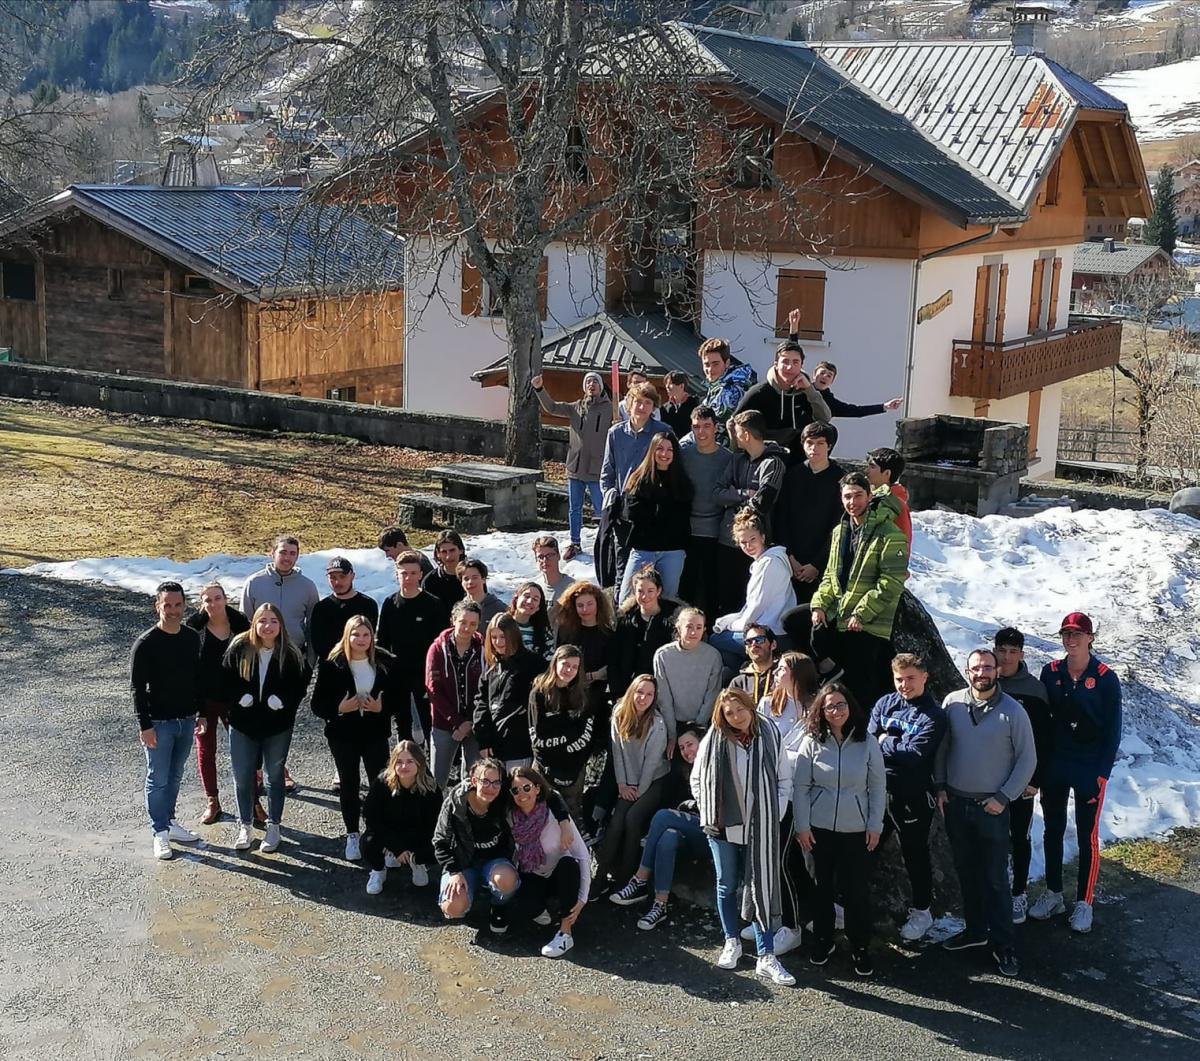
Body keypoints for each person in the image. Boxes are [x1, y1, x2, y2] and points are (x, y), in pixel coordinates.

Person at [934, 649, 1036, 978]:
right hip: (956, 804)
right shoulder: (952, 703)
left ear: (997, 672)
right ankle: (976, 932)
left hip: (991, 807)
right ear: (967, 671)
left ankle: (1004, 945)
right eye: (976, 668)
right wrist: (940, 787)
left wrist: (1003, 797)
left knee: (994, 880)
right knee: (967, 873)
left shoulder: (1013, 712)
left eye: (988, 667)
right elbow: (941, 747)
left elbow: (1027, 760)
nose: (982, 673)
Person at [692, 688, 795, 986]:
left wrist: (772, 814)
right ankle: (731, 940)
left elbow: (783, 778)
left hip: (760, 824)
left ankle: (766, 955)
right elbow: (697, 778)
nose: (736, 718)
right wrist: (709, 808)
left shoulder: (769, 733)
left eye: (740, 710)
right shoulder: (715, 737)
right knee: (726, 883)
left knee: (759, 884)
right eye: (729, 713)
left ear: (750, 707)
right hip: (722, 825)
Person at [785, 472, 908, 710]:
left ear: (870, 496)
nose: (853, 502)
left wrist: (862, 613)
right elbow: (831, 574)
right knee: (791, 621)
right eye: (847, 497)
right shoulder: (841, 531)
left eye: (859, 495)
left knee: (859, 685)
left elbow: (891, 581)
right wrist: (820, 604)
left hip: (869, 619)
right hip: (840, 610)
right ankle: (827, 671)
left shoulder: (890, 534)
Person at [1031, 612, 1122, 934]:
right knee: (1052, 830)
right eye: (1066, 635)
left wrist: (1102, 774)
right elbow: (1042, 719)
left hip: (1088, 766)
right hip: (1057, 763)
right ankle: (1053, 893)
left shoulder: (1105, 677)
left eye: (1077, 635)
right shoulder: (1051, 671)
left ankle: (1084, 902)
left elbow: (1113, 731)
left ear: (1090, 638)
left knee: (1087, 837)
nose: (1071, 640)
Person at [793, 682, 886, 977]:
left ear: (851, 707)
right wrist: (802, 825)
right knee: (821, 891)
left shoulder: (867, 741)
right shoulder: (811, 741)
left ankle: (860, 946)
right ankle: (823, 940)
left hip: (856, 829)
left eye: (841, 705)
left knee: (856, 892)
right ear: (821, 710)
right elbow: (801, 787)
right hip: (819, 830)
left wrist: (875, 824)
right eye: (829, 706)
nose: (836, 711)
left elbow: (877, 786)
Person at [868, 653, 947, 943]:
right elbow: (867, 741)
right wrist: (891, 744)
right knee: (865, 848)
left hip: (913, 794)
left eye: (910, 678)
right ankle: (852, 904)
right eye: (899, 679)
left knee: (914, 852)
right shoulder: (884, 703)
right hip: (877, 789)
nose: (904, 685)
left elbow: (915, 755)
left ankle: (922, 911)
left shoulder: (934, 715)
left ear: (924, 676)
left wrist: (885, 741)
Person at [222, 603, 310, 854]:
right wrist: (239, 697)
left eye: (273, 621)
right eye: (263, 620)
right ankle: (246, 825)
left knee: (274, 776)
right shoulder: (240, 647)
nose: (267, 626)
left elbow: (298, 686)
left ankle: (274, 826)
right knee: (242, 777)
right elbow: (225, 679)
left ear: (280, 625)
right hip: (242, 724)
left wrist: (283, 701)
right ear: (254, 623)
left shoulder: (290, 653)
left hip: (276, 726)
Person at [311, 615, 395, 861]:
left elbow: (398, 697)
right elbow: (317, 704)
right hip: (343, 735)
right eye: (355, 635)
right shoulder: (332, 664)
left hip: (375, 733)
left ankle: (383, 835)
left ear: (372, 637)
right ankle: (352, 835)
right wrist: (340, 708)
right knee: (349, 784)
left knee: (380, 784)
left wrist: (382, 708)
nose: (360, 639)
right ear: (347, 637)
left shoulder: (385, 661)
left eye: (365, 634)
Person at [608, 725, 706, 930]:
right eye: (682, 748)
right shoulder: (681, 774)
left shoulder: (714, 766)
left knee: (662, 817)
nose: (687, 751)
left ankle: (639, 880)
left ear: (702, 742)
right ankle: (660, 905)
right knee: (667, 838)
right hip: (687, 830)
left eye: (690, 744)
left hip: (710, 833)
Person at [131, 580, 203, 860]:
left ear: (185, 606)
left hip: (186, 720)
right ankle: (159, 831)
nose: (172, 610)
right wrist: (144, 725)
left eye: (177, 605)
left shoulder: (190, 637)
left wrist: (201, 713)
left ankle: (170, 822)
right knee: (158, 779)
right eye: (167, 605)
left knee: (175, 776)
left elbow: (197, 678)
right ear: (157, 607)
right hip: (158, 724)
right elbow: (137, 688)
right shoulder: (146, 643)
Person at [758, 651, 819, 954]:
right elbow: (758, 744)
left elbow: (805, 758)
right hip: (766, 791)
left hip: (795, 796)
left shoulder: (814, 709)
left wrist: (782, 758)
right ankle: (783, 917)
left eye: (782, 668)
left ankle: (792, 926)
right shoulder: (768, 704)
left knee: (784, 861)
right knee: (774, 860)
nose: (775, 672)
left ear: (798, 674)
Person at [994, 627, 1053, 926]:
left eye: (1012, 651)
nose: (1006, 657)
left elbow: (1044, 740)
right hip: (986, 780)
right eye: (1001, 650)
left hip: (1021, 780)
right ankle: (992, 892)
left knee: (1020, 836)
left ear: (1021, 654)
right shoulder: (985, 682)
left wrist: (1035, 781)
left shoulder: (1033, 689)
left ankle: (1018, 893)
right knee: (991, 837)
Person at [594, 675, 671, 892]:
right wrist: (622, 785)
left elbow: (651, 764)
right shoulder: (619, 714)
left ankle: (625, 880)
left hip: (652, 780)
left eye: (649, 694)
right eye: (640, 692)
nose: (643, 698)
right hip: (628, 780)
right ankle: (598, 878)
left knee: (632, 818)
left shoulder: (658, 724)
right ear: (632, 692)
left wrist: (637, 792)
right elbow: (618, 754)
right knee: (616, 821)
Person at [508, 765, 592, 958]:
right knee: (524, 908)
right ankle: (547, 908)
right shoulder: (512, 816)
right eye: (516, 790)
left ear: (537, 789)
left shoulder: (556, 815)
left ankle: (565, 932)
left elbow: (582, 855)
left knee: (569, 864)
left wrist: (582, 899)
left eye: (527, 788)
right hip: (534, 874)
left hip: (561, 875)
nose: (522, 794)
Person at [598, 381, 675, 589]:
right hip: (624, 512)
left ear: (654, 407)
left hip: (652, 512)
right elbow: (607, 471)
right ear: (629, 403)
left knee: (649, 574)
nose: (642, 407)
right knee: (622, 569)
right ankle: (619, 612)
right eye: (638, 402)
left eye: (647, 403)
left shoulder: (663, 432)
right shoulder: (616, 433)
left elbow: (672, 469)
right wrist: (610, 495)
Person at [185, 583, 250, 825]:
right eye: (207, 600)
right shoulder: (194, 629)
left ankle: (253, 801)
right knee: (205, 750)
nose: (213, 604)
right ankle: (212, 801)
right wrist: (199, 709)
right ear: (202, 603)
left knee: (244, 751)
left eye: (217, 598)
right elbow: (190, 672)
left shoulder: (241, 625)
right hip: (205, 701)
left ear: (226, 599)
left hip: (236, 700)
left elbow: (250, 663)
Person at [434, 757, 521, 935]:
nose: (491, 788)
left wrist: (564, 821)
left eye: (496, 782)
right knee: (453, 907)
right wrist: (454, 871)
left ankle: (499, 905)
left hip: (496, 862)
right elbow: (440, 840)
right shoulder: (456, 802)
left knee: (506, 880)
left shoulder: (505, 799)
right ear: (474, 780)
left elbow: (544, 796)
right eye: (485, 781)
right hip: (463, 863)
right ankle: (469, 895)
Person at [713, 410, 788, 613]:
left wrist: (740, 502)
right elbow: (717, 493)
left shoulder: (773, 463)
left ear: (745, 434)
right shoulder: (736, 460)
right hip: (728, 542)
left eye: (736, 433)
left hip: (757, 546)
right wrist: (744, 493)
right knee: (726, 598)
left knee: (752, 602)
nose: (735, 438)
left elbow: (763, 500)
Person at [532, 371, 612, 561]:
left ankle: (605, 543)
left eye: (595, 381)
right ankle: (575, 542)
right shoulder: (576, 407)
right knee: (574, 508)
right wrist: (539, 388)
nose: (592, 384)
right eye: (588, 381)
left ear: (601, 386)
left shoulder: (611, 409)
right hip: (575, 466)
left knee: (601, 509)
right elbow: (551, 407)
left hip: (597, 466)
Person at [377, 550, 450, 743]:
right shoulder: (390, 604)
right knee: (402, 721)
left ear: (420, 574)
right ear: (397, 574)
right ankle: (404, 763)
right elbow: (382, 641)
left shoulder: (432, 604)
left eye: (412, 573)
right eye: (403, 573)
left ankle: (431, 766)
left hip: (424, 672)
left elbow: (441, 642)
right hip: (397, 673)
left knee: (429, 719)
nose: (408, 578)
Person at [710, 510, 796, 670]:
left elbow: (757, 606)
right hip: (771, 629)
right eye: (743, 542)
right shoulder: (770, 560)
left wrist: (733, 625)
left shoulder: (768, 564)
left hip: (772, 633)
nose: (748, 546)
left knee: (715, 640)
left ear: (762, 537)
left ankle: (743, 676)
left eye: (752, 539)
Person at [774, 422, 845, 606]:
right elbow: (782, 518)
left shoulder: (841, 480)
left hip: (823, 564)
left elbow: (839, 526)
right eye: (809, 443)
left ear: (829, 446)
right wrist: (789, 556)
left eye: (820, 443)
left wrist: (817, 565)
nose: (814, 448)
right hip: (790, 561)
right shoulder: (792, 475)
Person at [619, 432, 693, 602]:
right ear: (652, 451)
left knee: (668, 600)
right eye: (660, 448)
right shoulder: (638, 479)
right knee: (627, 599)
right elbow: (632, 513)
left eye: (669, 449)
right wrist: (661, 509)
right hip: (644, 548)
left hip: (672, 550)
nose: (664, 454)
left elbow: (680, 517)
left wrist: (655, 508)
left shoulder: (682, 482)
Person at [361, 740, 442, 895]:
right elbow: (370, 818)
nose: (404, 767)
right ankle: (378, 869)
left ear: (419, 763)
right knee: (368, 843)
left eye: (410, 761)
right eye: (399, 762)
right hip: (389, 833)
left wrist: (414, 850)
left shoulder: (430, 787)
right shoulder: (381, 783)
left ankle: (417, 862)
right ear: (393, 764)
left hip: (418, 835)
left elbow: (435, 823)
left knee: (439, 847)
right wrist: (394, 846)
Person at [678, 404, 734, 620]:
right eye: (696, 427)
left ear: (716, 428)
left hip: (715, 531)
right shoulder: (684, 455)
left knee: (711, 586)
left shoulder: (727, 458)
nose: (701, 432)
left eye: (706, 426)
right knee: (686, 585)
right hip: (687, 530)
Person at [732, 330, 831, 451]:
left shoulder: (805, 391)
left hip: (797, 454)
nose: (790, 367)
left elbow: (825, 418)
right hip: (766, 453)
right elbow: (734, 422)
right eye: (785, 362)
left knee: (830, 431)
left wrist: (810, 390)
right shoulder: (760, 392)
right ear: (776, 364)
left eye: (795, 362)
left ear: (801, 366)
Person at [529, 645, 595, 818]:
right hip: (544, 767)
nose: (569, 670)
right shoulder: (539, 693)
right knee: (538, 815)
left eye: (574, 667)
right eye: (565, 664)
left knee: (570, 819)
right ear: (555, 662)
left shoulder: (583, 695)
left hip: (574, 768)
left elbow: (586, 734)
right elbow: (539, 735)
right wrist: (568, 734)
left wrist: (562, 738)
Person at [425, 600, 485, 787]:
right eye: (463, 622)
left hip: (475, 723)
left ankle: (465, 815)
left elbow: (487, 688)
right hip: (444, 722)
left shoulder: (483, 649)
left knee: (474, 780)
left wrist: (470, 722)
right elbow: (433, 689)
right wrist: (457, 722)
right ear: (453, 620)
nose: (467, 628)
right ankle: (434, 815)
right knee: (437, 780)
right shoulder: (437, 649)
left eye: (473, 624)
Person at [474, 614, 544, 770]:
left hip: (521, 748)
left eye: (503, 637)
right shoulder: (491, 671)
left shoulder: (534, 664)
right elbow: (481, 705)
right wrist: (483, 740)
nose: (498, 642)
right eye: (494, 637)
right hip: (494, 749)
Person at [240, 535, 320, 666]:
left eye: (292, 553)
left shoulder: (308, 587)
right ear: (272, 553)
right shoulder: (254, 583)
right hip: (260, 656)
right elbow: (244, 623)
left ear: (297, 556)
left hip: (295, 656)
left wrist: (310, 662)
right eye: (283, 552)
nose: (287, 558)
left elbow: (313, 626)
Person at [652, 606, 723, 748]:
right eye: (689, 626)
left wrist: (697, 728)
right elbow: (664, 697)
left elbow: (712, 694)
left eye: (698, 627)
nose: (693, 632)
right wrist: (672, 733)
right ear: (678, 628)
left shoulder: (713, 655)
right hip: (672, 723)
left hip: (702, 723)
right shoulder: (663, 655)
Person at [608, 568, 680, 701]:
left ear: (659, 591)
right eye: (640, 591)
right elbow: (614, 660)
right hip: (628, 690)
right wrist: (618, 694)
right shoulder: (625, 621)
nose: (645, 596)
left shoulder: (673, 621)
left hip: (662, 690)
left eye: (650, 591)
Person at [554, 581, 614, 716]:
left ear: (598, 604)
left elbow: (610, 669)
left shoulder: (608, 634)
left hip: (596, 696)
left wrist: (594, 676)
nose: (585, 610)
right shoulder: (566, 632)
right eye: (580, 605)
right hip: (568, 694)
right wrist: (590, 676)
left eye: (589, 604)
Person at [309, 557, 380, 664]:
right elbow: (319, 646)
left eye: (342, 576)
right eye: (333, 577)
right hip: (331, 667)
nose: (338, 582)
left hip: (361, 664)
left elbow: (369, 640)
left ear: (352, 576)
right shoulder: (321, 608)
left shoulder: (368, 605)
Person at [697, 337, 756, 444]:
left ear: (727, 363)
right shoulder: (716, 386)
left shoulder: (730, 390)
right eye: (706, 364)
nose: (710, 370)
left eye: (715, 364)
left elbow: (714, 429)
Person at [810, 360, 902, 420]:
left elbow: (857, 411)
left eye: (829, 375)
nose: (825, 376)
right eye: (822, 373)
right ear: (814, 375)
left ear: (832, 381)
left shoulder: (830, 402)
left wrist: (884, 406)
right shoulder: (800, 389)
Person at [865, 448, 912, 549]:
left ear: (887, 473)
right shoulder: (868, 497)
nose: (866, 471)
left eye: (872, 467)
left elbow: (902, 545)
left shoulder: (896, 505)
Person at [729, 624, 778, 703]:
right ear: (746, 650)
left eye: (759, 639)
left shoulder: (785, 675)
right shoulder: (739, 682)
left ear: (773, 645)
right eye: (748, 641)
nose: (754, 644)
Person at [533, 535, 577, 622]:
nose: (545, 560)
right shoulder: (534, 589)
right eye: (540, 557)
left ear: (558, 556)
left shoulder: (573, 587)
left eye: (549, 555)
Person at [423, 530, 468, 612]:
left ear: (461, 550)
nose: (448, 556)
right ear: (438, 554)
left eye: (452, 550)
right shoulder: (430, 581)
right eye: (444, 552)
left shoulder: (471, 577)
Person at [506, 581, 553, 659]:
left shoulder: (544, 631)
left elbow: (549, 660)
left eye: (535, 599)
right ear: (516, 598)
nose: (529, 601)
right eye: (526, 596)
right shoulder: (503, 624)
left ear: (538, 607)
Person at [458, 558, 506, 625]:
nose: (470, 582)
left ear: (483, 579)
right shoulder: (459, 609)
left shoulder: (499, 608)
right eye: (466, 579)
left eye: (475, 577)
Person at [659, 370, 698, 437]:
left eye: (670, 383)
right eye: (666, 384)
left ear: (681, 386)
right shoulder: (664, 408)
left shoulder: (695, 404)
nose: (667, 387)